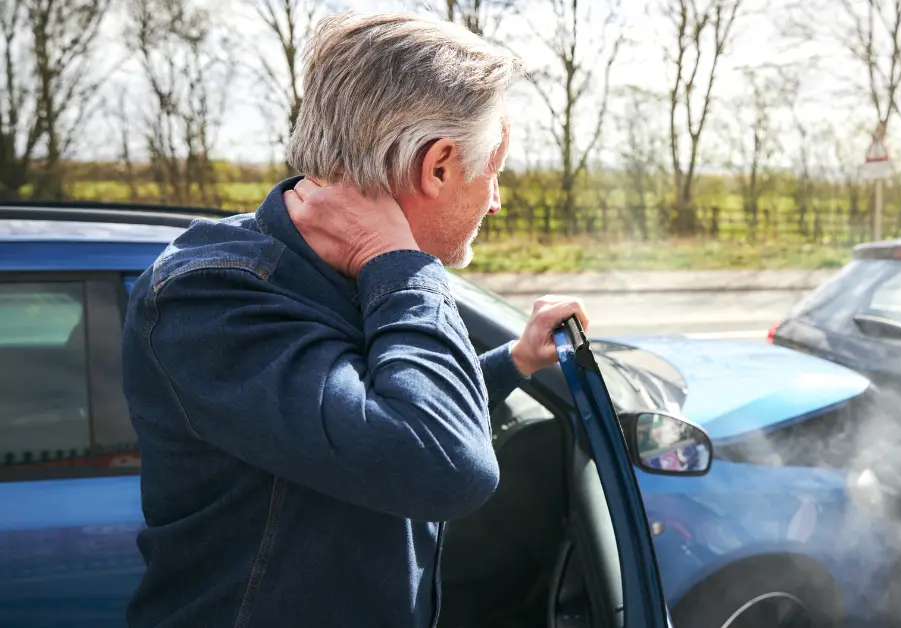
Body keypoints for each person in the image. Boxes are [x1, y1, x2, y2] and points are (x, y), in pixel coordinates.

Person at [120, 12, 588, 628]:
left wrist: (515, 361)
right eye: (492, 169)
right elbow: (443, 463)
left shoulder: (336, 271)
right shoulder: (211, 296)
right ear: (438, 165)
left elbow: (376, 411)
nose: (496, 199)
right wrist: (400, 263)